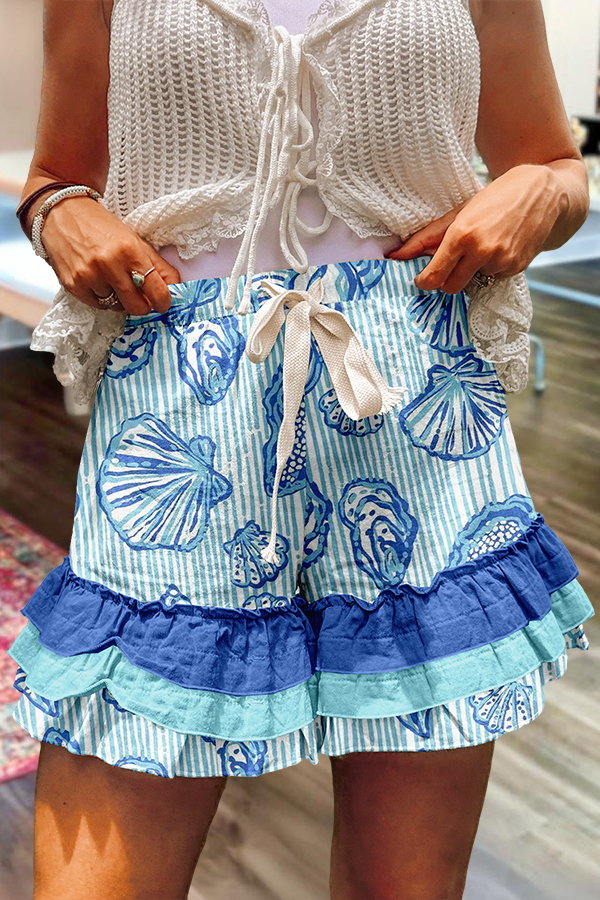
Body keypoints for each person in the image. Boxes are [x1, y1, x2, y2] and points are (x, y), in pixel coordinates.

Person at [7, 1, 595, 898]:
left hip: (416, 408)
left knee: (404, 889)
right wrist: (60, 216)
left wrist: (542, 189)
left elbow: (553, 161)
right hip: (182, 403)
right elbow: (56, 176)